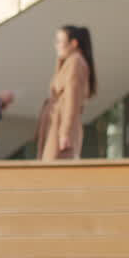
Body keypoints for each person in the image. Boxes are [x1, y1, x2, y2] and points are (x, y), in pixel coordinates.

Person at [36, 25, 97, 161]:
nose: (56, 45)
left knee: (56, 170)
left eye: (60, 41)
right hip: (57, 124)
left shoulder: (75, 62)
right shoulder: (69, 62)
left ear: (73, 43)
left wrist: (65, 132)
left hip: (61, 126)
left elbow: (72, 99)